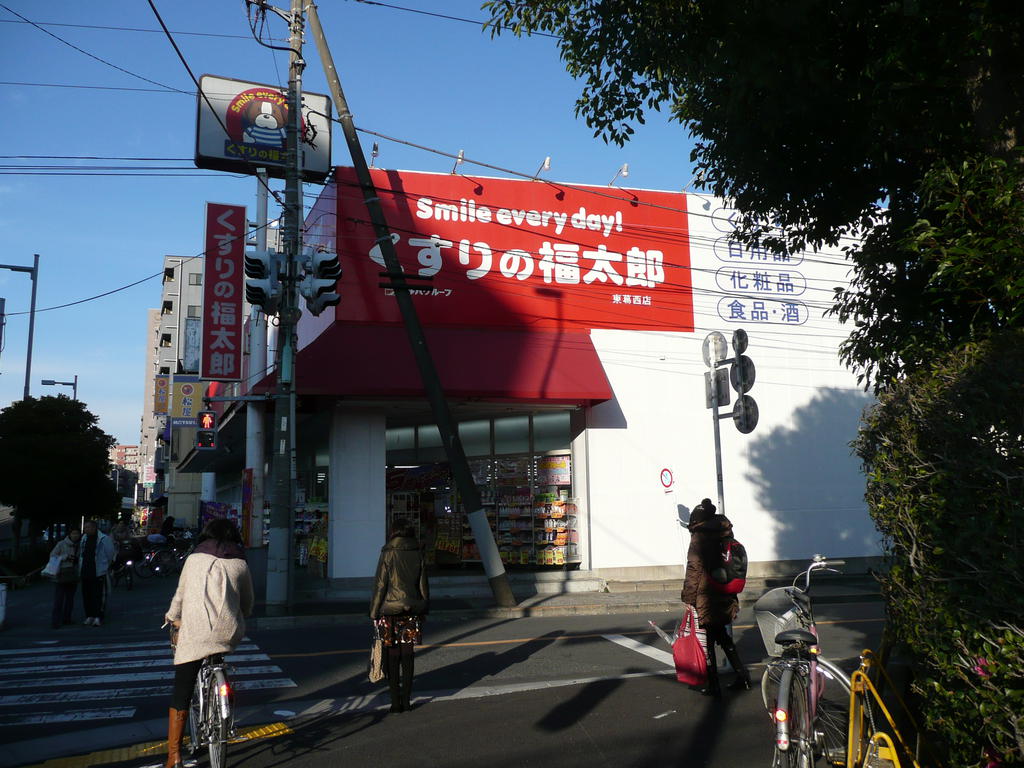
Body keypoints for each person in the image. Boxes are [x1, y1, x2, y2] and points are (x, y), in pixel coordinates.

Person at [164, 517, 253, 768]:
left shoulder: (194, 560)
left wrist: (172, 617)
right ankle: (224, 708)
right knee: (218, 655)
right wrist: (239, 613)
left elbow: (180, 595)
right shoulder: (240, 563)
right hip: (228, 632)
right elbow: (247, 602)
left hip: (196, 633)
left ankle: (174, 756)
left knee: (182, 689)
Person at [681, 498, 751, 697]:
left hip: (706, 595)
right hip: (725, 591)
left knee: (709, 640)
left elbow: (694, 569)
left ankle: (714, 685)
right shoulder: (724, 530)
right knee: (722, 636)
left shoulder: (699, 536)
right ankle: (743, 677)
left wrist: (688, 598)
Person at [369, 522, 430, 713]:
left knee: (393, 655)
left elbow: (380, 585)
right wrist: (424, 607)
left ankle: (395, 702)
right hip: (411, 609)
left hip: (390, 611)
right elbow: (423, 584)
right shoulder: (417, 552)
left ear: (393, 533)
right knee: (408, 655)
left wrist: (374, 611)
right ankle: (407, 701)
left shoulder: (388, 552)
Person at [79, 520, 116, 627]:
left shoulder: (104, 539)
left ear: (94, 528)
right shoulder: (84, 538)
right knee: (87, 595)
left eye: (88, 527)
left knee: (99, 595)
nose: (86, 529)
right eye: (85, 528)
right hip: (86, 571)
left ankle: (98, 616)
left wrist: (105, 566)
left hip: (99, 571)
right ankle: (89, 616)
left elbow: (110, 553)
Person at [48, 526, 81, 629]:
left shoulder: (80, 545)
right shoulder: (61, 544)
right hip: (62, 573)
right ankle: (55, 621)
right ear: (69, 534)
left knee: (70, 599)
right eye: (73, 533)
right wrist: (65, 557)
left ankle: (67, 619)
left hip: (73, 574)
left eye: (77, 533)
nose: (75, 536)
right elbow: (52, 556)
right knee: (59, 599)